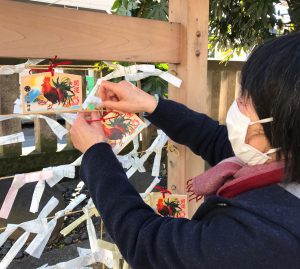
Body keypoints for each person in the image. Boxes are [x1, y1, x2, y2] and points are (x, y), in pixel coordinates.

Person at [70, 32, 300, 269]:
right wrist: (151, 105)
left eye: (245, 98)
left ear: (277, 124)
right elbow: (216, 140)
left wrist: (96, 153)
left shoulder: (263, 240)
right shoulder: (281, 159)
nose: (237, 101)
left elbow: (147, 244)